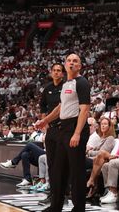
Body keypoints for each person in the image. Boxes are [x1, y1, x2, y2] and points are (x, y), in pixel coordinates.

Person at [35, 53, 91, 212]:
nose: (71, 63)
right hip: (63, 129)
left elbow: (85, 109)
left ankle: (79, 208)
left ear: (79, 66)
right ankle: (56, 206)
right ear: (65, 65)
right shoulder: (66, 84)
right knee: (58, 169)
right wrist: (45, 121)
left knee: (76, 171)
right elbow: (60, 107)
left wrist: (77, 133)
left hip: (75, 128)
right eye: (69, 61)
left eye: (75, 61)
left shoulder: (82, 83)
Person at [36, 63, 65, 205]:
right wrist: (44, 122)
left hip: (64, 128)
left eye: (59, 71)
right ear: (51, 72)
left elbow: (61, 108)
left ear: (63, 73)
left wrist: (45, 120)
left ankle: (62, 196)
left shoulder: (66, 87)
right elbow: (42, 106)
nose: (56, 73)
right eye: (54, 70)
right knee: (51, 164)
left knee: (61, 164)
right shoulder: (47, 88)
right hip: (51, 130)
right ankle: (53, 195)